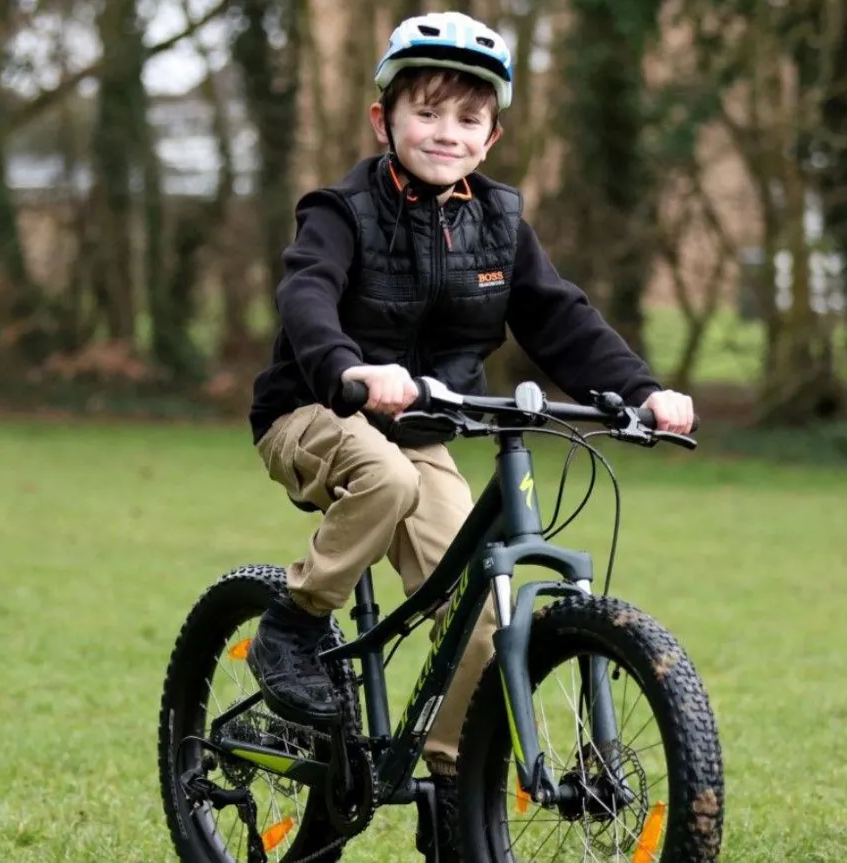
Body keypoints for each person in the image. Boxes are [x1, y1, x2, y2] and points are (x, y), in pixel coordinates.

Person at [243, 10, 695, 859]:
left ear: (491, 136)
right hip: (318, 411)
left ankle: (453, 785)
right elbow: (306, 297)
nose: (444, 132)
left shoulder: (498, 226)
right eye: (426, 111)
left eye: (467, 118)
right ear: (385, 120)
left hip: (423, 429)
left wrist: (643, 391)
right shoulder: (339, 211)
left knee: (481, 615)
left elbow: (561, 319)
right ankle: (296, 621)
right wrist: (350, 366)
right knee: (388, 480)